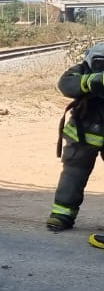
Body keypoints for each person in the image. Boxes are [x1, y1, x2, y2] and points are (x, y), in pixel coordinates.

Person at [49, 42, 104, 247]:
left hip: (87, 135)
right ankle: (62, 215)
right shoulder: (80, 71)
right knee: (72, 176)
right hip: (82, 137)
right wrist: (90, 82)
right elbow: (65, 84)